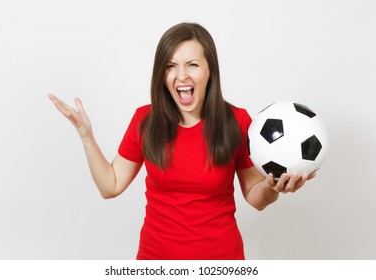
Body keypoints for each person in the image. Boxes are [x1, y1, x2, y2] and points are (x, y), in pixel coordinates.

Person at [48, 22, 315, 260]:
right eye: (171, 66)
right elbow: (111, 185)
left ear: (210, 71)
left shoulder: (237, 120)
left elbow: (256, 198)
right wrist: (87, 137)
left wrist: (273, 188)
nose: (182, 75)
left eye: (193, 65)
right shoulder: (145, 120)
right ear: (162, 75)